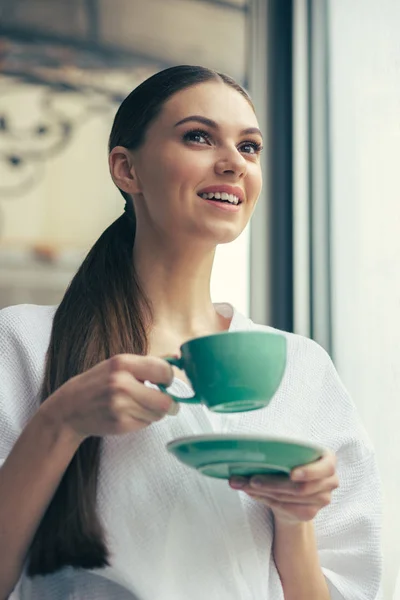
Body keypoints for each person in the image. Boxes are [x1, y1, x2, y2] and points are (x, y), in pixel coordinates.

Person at [0, 65, 382, 600]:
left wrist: (295, 519)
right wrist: (59, 421)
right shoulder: (22, 342)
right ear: (125, 168)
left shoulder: (301, 369)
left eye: (250, 148)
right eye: (199, 137)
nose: (233, 163)